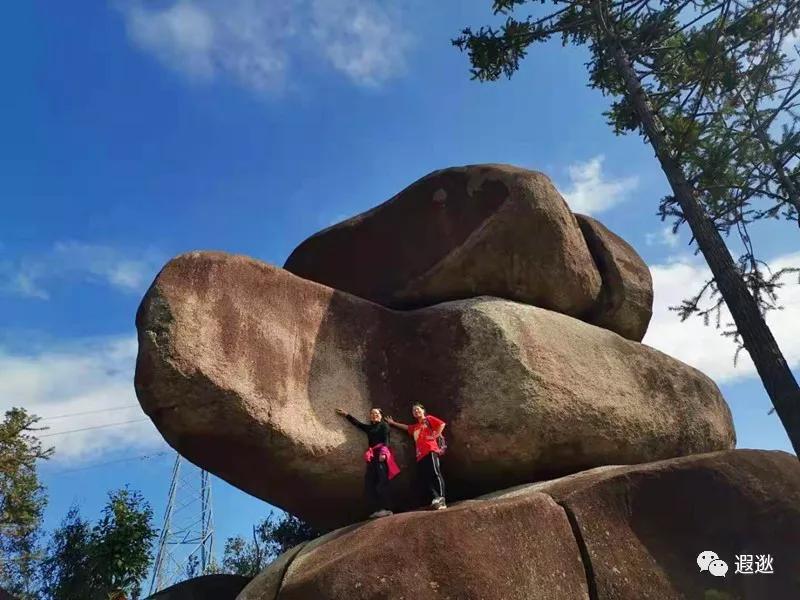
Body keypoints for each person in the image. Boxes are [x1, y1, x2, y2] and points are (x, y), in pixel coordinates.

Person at [335, 407, 399, 519]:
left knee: (382, 480)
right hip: (372, 455)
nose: (374, 415)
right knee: (370, 482)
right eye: (372, 413)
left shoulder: (384, 425)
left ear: (380, 415)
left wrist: (383, 453)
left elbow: (386, 440)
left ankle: (387, 508)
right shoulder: (370, 428)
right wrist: (346, 414)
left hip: (381, 453)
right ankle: (377, 509)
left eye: (376, 413)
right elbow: (358, 424)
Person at [387, 403, 447, 510]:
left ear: (423, 410)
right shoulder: (415, 427)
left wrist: (435, 435)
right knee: (425, 478)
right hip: (420, 455)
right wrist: (393, 423)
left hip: (431, 450)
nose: (416, 411)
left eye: (418, 409)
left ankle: (442, 498)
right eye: (414, 410)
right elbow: (406, 427)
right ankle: (436, 498)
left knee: (435, 473)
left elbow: (441, 424)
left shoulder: (428, 419)